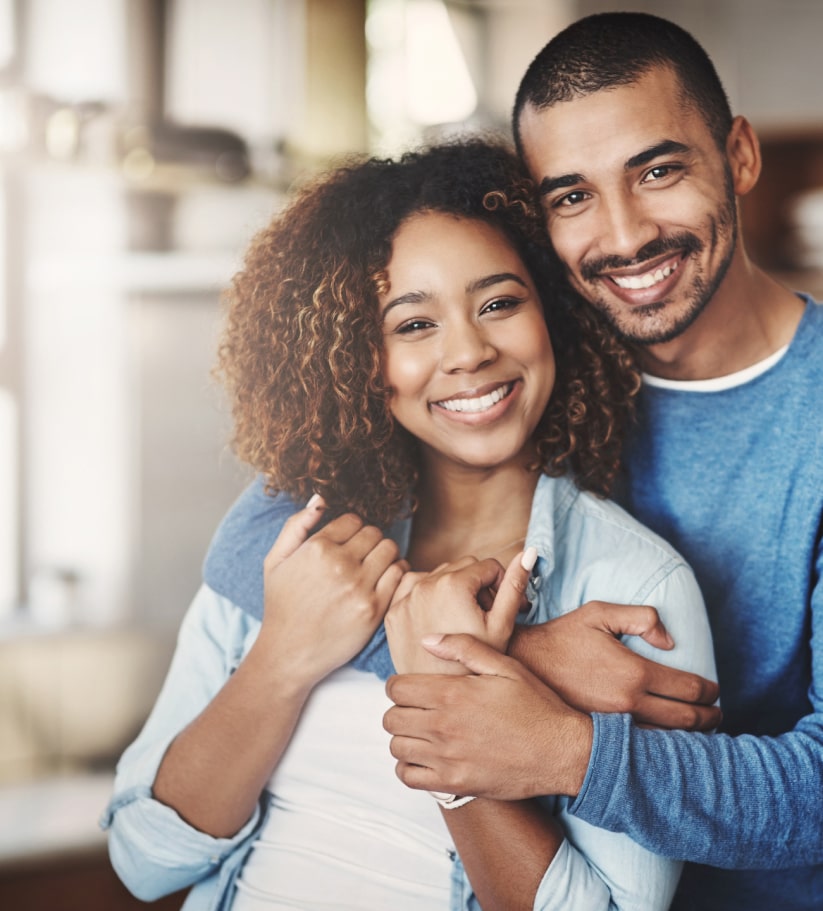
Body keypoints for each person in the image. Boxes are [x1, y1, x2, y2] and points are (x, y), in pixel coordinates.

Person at [102, 138, 717, 910]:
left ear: (554, 313)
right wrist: (283, 657)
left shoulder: (632, 588)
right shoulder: (295, 537)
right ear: (360, 359)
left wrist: (445, 705)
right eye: (413, 324)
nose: (467, 351)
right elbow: (144, 859)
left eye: (498, 303)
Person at [381, 12, 823, 911]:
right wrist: (527, 661)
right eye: (571, 195)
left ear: (738, 156)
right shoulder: (517, 382)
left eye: (657, 171)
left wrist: (563, 745)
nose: (623, 236)